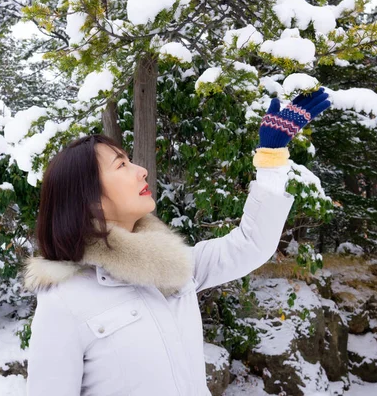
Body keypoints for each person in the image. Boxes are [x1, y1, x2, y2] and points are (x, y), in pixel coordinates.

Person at [23, 89, 331, 395]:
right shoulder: (65, 303)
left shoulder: (172, 266)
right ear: (88, 198)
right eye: (121, 165)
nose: (141, 170)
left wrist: (271, 159)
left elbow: (251, 244)